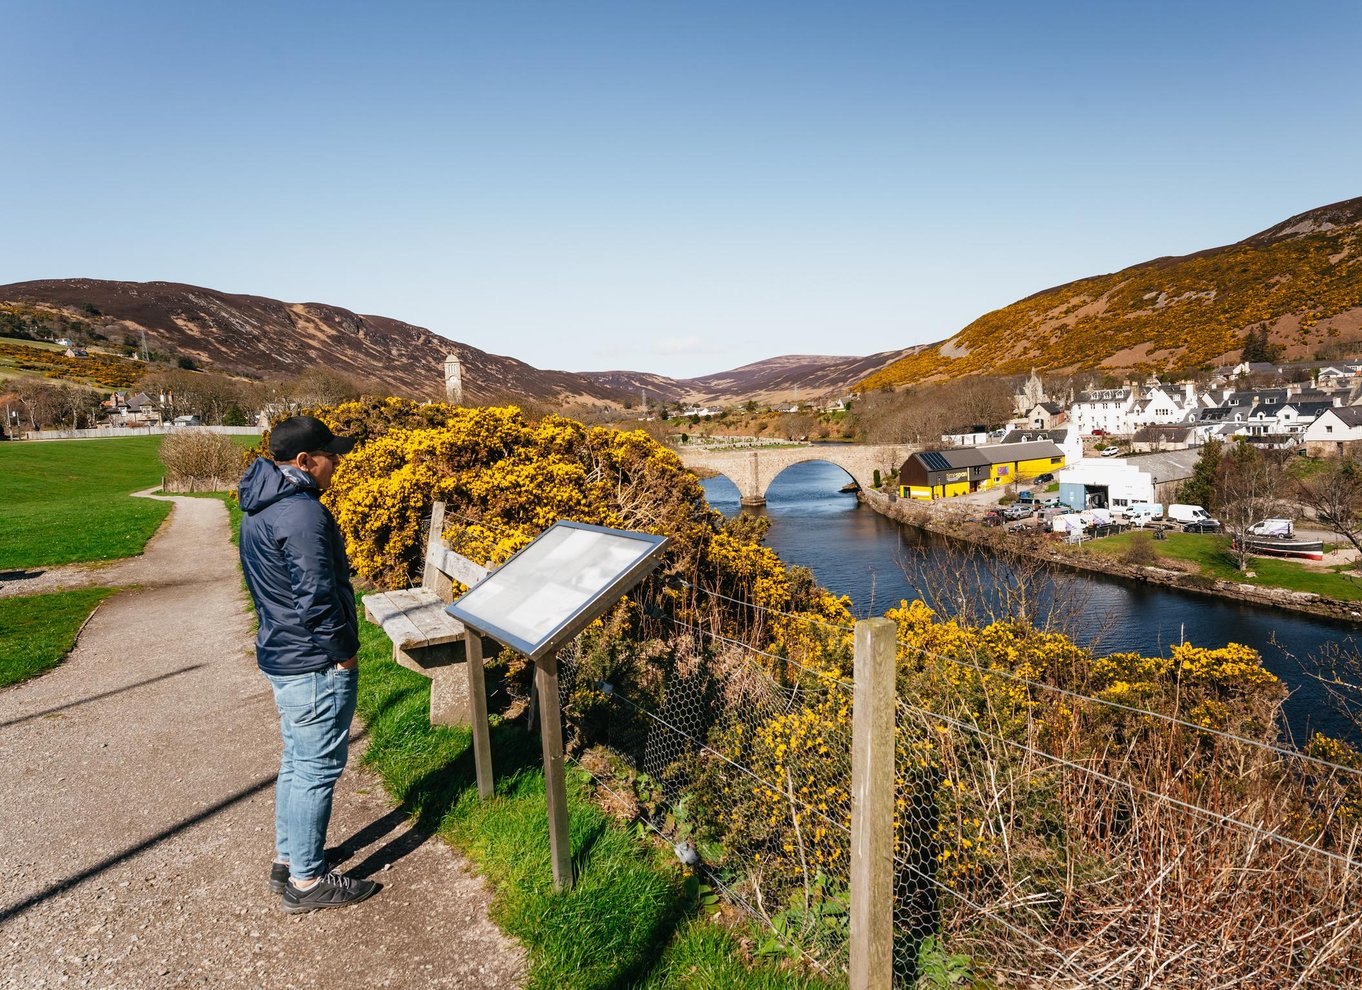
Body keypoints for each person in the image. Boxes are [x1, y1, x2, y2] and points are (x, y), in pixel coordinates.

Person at [238, 415, 379, 913]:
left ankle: (290, 858)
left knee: (298, 762)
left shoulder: (262, 506)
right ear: (304, 461)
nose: (335, 464)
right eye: (329, 456)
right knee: (317, 768)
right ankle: (306, 881)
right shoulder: (302, 514)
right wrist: (343, 653)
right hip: (313, 661)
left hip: (284, 652)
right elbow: (316, 597)